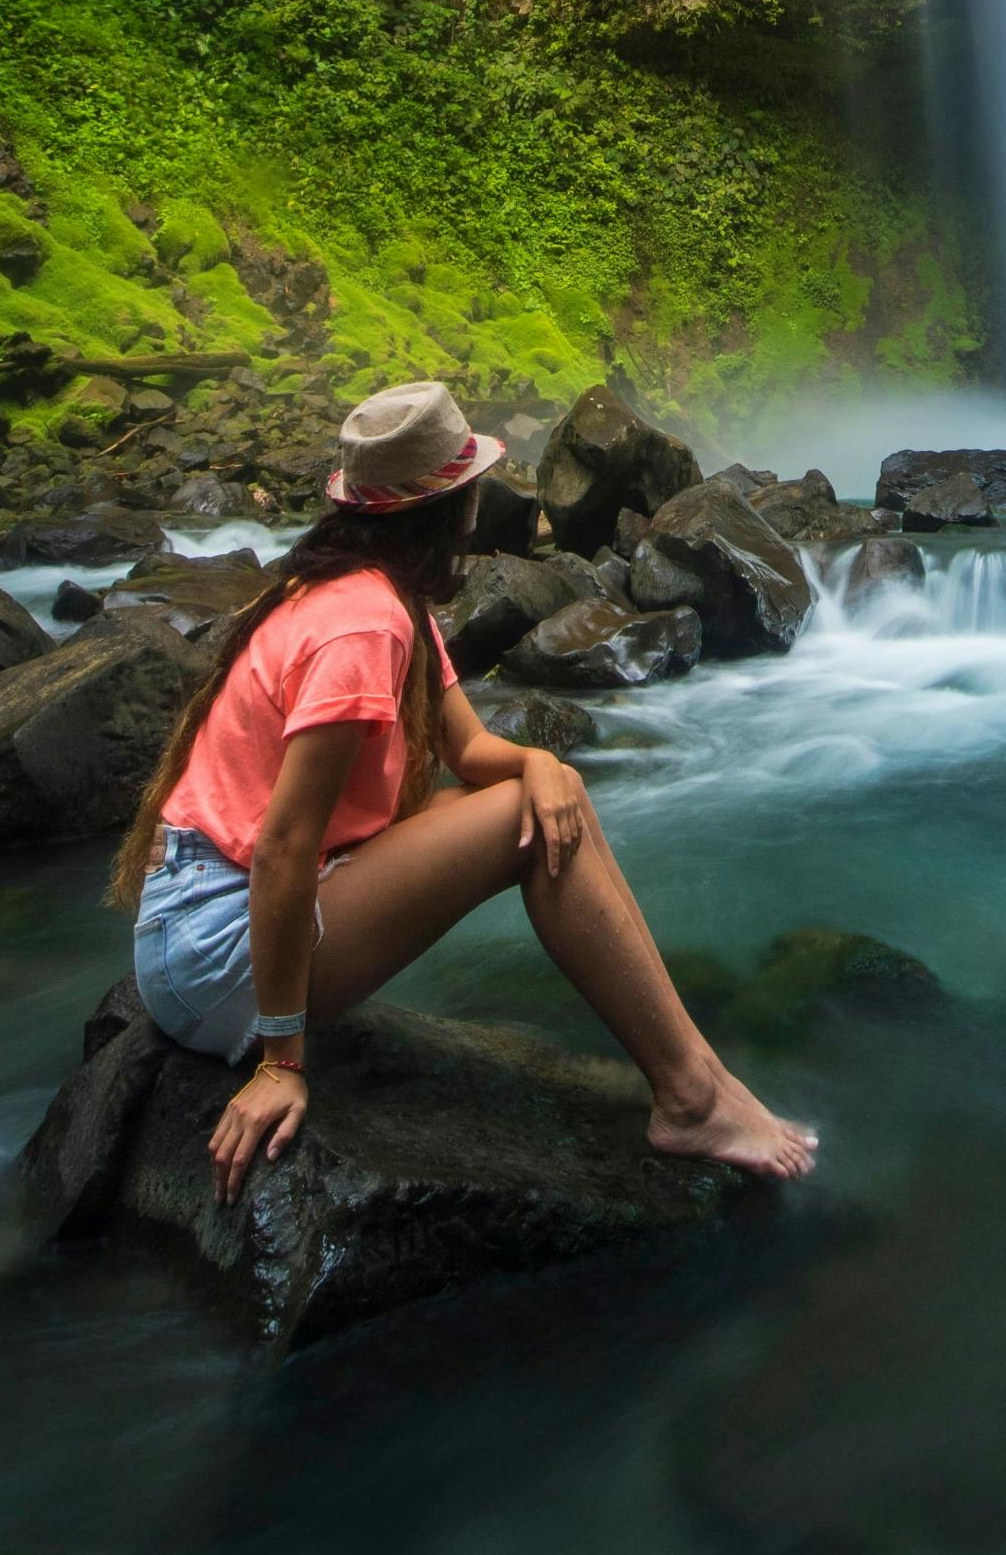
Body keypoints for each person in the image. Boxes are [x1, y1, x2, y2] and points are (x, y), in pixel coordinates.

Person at [110, 381, 817, 1203]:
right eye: (470, 490)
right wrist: (281, 1060)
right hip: (211, 948)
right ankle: (692, 1097)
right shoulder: (362, 622)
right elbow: (283, 846)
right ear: (449, 507)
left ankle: (700, 1081)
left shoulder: (386, 599)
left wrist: (546, 766)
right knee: (529, 821)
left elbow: (474, 748)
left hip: (216, 912)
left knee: (549, 800)